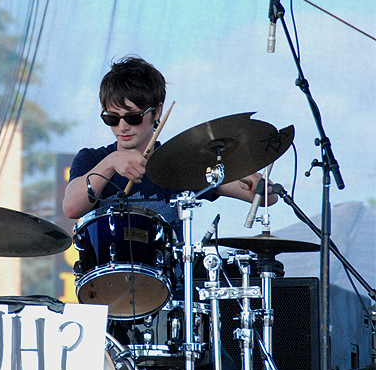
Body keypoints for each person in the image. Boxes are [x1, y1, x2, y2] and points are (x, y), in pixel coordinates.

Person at [62, 55, 277, 238]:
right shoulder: (92, 160)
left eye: (133, 117)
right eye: (112, 118)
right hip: (105, 284)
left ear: (157, 112)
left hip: (168, 284)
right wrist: (110, 164)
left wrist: (257, 185)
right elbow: (71, 208)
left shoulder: (180, 161)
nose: (122, 126)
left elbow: (266, 197)